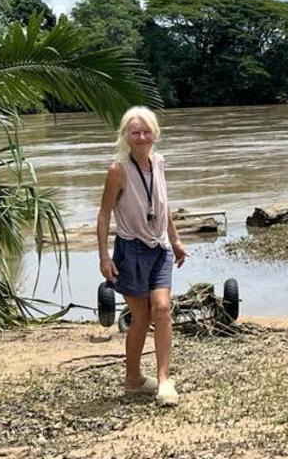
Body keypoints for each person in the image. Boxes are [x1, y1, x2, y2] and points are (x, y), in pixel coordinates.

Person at [96, 106, 188, 407]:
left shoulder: (159, 162)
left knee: (162, 310)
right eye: (135, 132)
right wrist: (104, 257)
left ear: (155, 133)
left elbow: (163, 204)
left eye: (147, 131)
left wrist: (175, 239)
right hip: (131, 249)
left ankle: (163, 381)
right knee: (140, 318)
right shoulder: (117, 170)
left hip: (159, 247)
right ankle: (133, 378)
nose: (142, 137)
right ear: (125, 135)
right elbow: (104, 214)